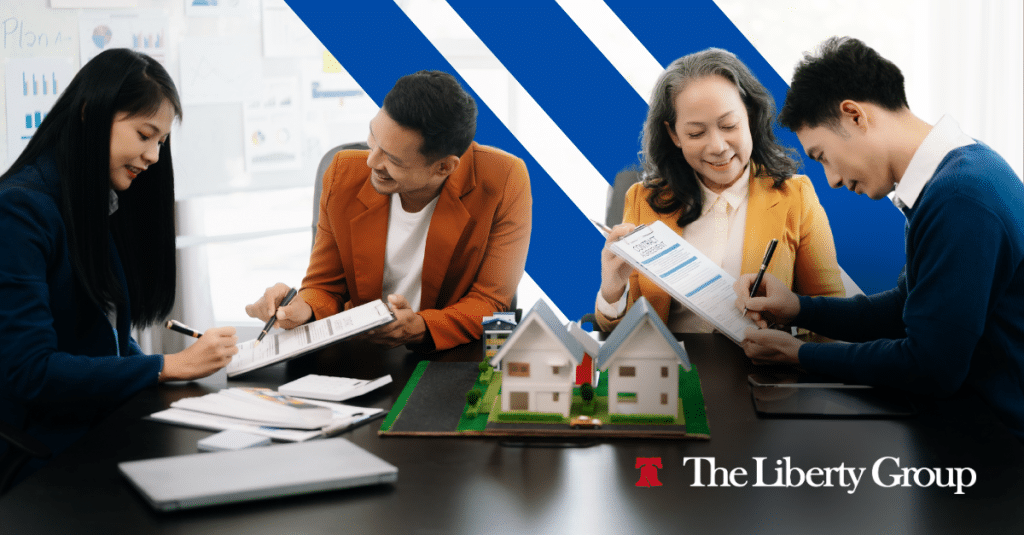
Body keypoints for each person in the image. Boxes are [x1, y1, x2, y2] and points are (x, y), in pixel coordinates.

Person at [735, 37, 1024, 439]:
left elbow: (930, 366)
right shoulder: (961, 170)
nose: (832, 180)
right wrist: (798, 308)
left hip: (999, 448)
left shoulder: (960, 199)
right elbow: (907, 309)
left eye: (822, 156)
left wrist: (801, 354)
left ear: (854, 115)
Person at [0, 49, 238, 480]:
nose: (152, 156)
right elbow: (31, 372)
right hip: (45, 453)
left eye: (161, 142)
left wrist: (171, 371)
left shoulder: (93, 202)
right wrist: (165, 366)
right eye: (145, 135)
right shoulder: (19, 212)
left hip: (98, 427)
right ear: (92, 113)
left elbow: (102, 341)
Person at [246, 71, 531, 351]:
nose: (371, 161)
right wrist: (301, 307)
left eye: (393, 159)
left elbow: (491, 302)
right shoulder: (343, 173)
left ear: (444, 167)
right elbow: (325, 287)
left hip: (448, 355)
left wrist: (420, 326)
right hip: (362, 353)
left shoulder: (504, 179)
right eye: (373, 139)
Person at [595, 48, 845, 332]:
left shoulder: (794, 196)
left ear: (750, 116)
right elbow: (618, 332)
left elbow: (829, 309)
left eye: (729, 125)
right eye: (696, 133)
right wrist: (612, 290)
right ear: (674, 135)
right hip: (669, 370)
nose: (718, 146)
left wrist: (797, 356)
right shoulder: (643, 200)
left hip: (759, 371)